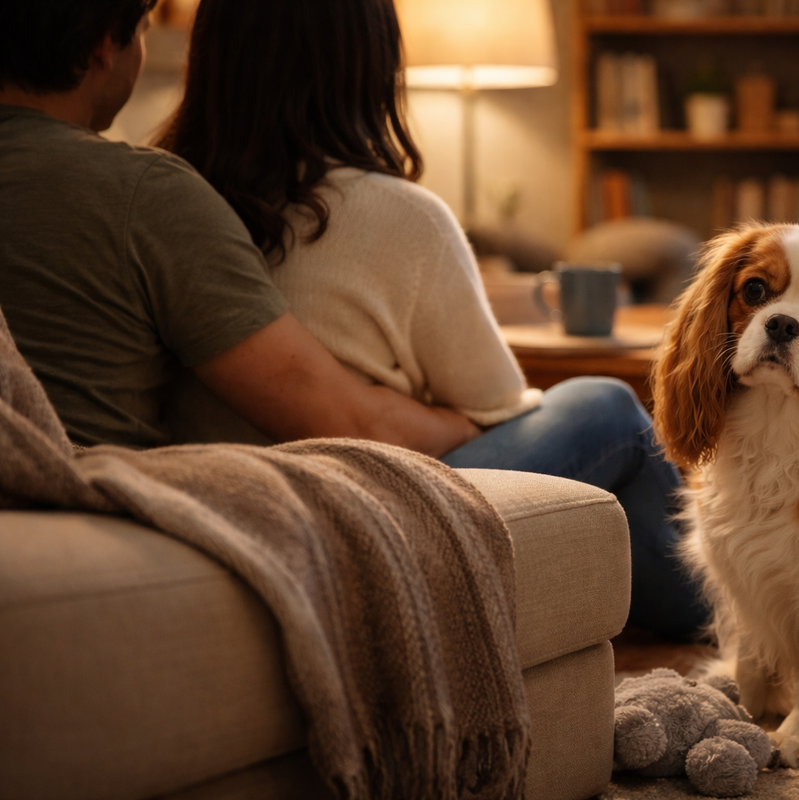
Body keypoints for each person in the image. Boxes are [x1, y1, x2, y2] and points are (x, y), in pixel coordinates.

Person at [2, 0, 706, 638]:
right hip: (315, 506)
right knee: (606, 407)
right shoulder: (151, 199)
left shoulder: (178, 183)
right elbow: (461, 409)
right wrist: (450, 419)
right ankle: (730, 621)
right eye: (141, 29)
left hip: (197, 488)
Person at [0, 0, 479, 457]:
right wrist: (468, 425)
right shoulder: (142, 192)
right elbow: (351, 427)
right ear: (106, 43)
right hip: (98, 511)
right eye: (143, 30)